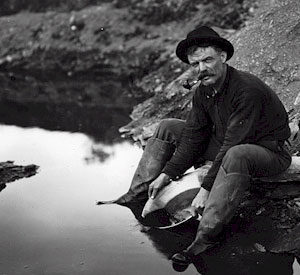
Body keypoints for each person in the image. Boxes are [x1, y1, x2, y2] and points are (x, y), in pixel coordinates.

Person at [114, 26, 292, 270]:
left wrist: (205, 189)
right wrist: (167, 173)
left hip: (267, 153)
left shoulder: (246, 90)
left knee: (235, 153)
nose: (201, 69)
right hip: (229, 147)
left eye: (207, 60)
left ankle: (204, 239)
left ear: (223, 57)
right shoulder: (203, 92)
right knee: (168, 126)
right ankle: (137, 194)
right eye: (195, 63)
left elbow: (235, 143)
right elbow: (192, 137)